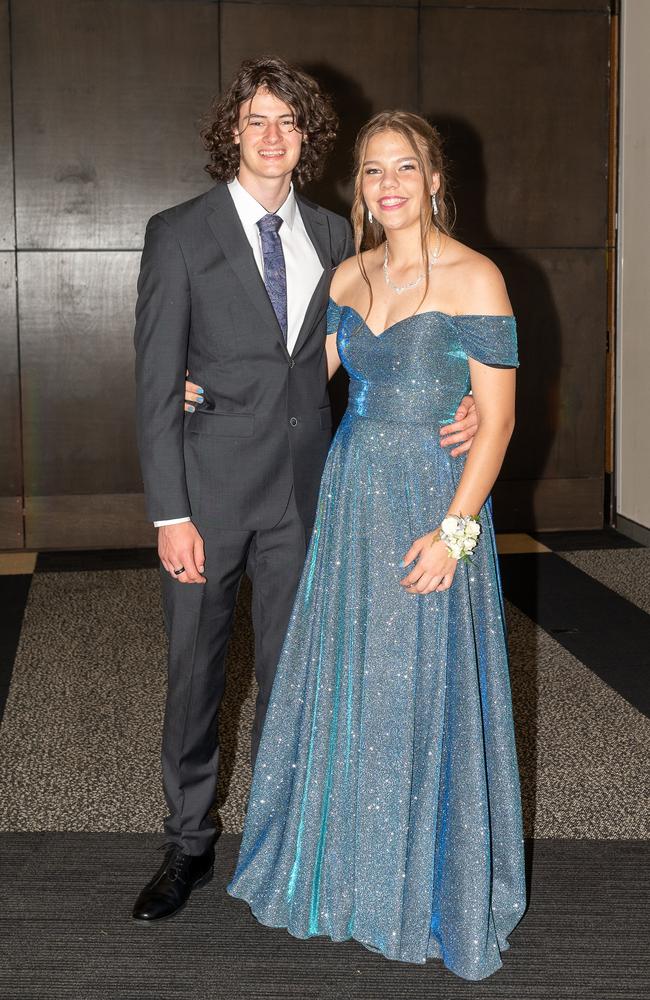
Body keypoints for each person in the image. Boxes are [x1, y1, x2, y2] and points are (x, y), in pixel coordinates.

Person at [132, 59, 479, 924]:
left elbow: (374, 347)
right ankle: (186, 842)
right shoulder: (178, 232)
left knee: (304, 676)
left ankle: (289, 840)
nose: (273, 135)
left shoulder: (335, 239)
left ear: (308, 137)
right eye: (257, 120)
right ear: (234, 133)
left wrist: (462, 398)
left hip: (310, 495)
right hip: (206, 497)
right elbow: (151, 384)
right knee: (195, 674)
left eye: (289, 121)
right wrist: (169, 511)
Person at [226, 111, 526, 982]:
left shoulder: (478, 278)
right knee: (353, 681)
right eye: (369, 171)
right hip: (352, 499)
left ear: (436, 179)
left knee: (421, 685)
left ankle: (422, 887)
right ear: (357, 186)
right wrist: (208, 385)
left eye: (405, 167)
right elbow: (299, 383)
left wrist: (456, 533)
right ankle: (346, 874)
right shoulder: (350, 274)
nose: (387, 184)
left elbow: (498, 421)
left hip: (433, 505)